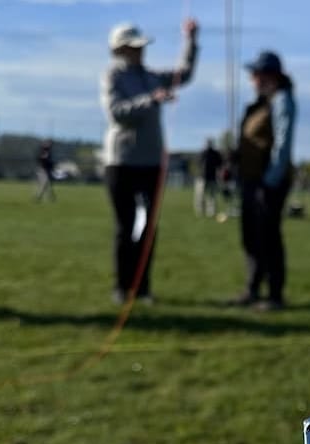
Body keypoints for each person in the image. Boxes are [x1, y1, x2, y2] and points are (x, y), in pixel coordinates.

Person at [102, 18, 199, 305]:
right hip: (121, 163)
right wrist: (151, 100)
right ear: (120, 50)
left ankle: (142, 288)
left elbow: (184, 74)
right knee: (125, 226)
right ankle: (122, 287)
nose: (140, 51)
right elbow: (117, 113)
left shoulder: (151, 75)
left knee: (146, 228)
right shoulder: (113, 77)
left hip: (151, 164)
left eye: (141, 47)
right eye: (133, 47)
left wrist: (191, 40)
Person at [231, 51, 297, 310]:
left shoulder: (282, 101)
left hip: (267, 183)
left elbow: (282, 144)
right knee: (251, 237)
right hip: (250, 180)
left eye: (257, 74)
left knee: (268, 238)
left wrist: (270, 182)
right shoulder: (260, 104)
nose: (253, 79)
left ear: (271, 77)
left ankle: (275, 296)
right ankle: (252, 289)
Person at [194, 138, 222, 217]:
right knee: (200, 196)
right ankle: (200, 212)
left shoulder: (215, 153)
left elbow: (219, 164)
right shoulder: (202, 153)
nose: (208, 145)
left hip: (211, 177)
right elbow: (198, 163)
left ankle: (211, 212)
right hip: (202, 177)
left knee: (211, 196)